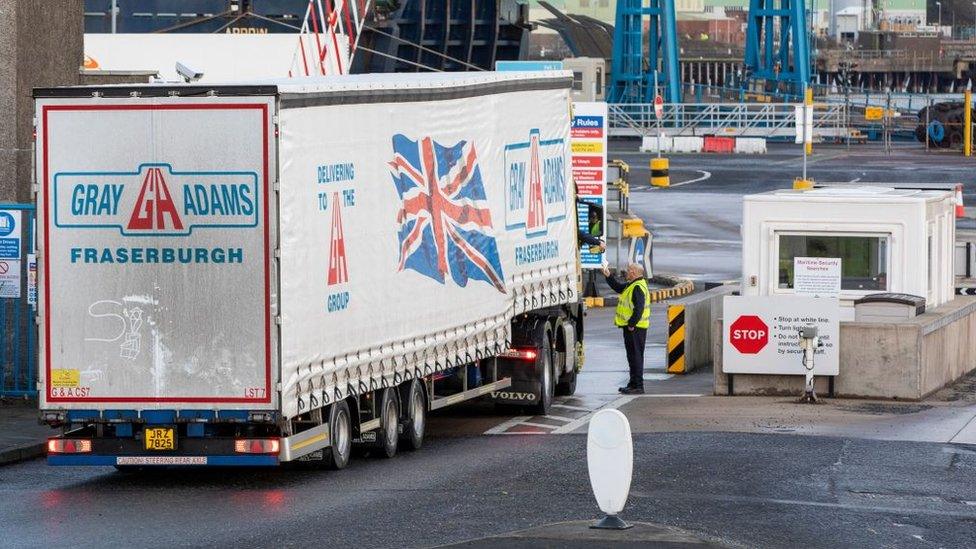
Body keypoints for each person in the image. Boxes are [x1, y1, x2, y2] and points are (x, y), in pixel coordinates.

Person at [601, 263, 650, 394]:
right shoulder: (632, 284)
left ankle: (638, 386)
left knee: (636, 357)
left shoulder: (637, 287)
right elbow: (618, 287)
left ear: (634, 272)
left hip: (636, 328)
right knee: (632, 356)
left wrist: (632, 324)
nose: (626, 272)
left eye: (628, 270)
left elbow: (639, 308)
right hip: (632, 327)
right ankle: (633, 383)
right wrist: (608, 276)